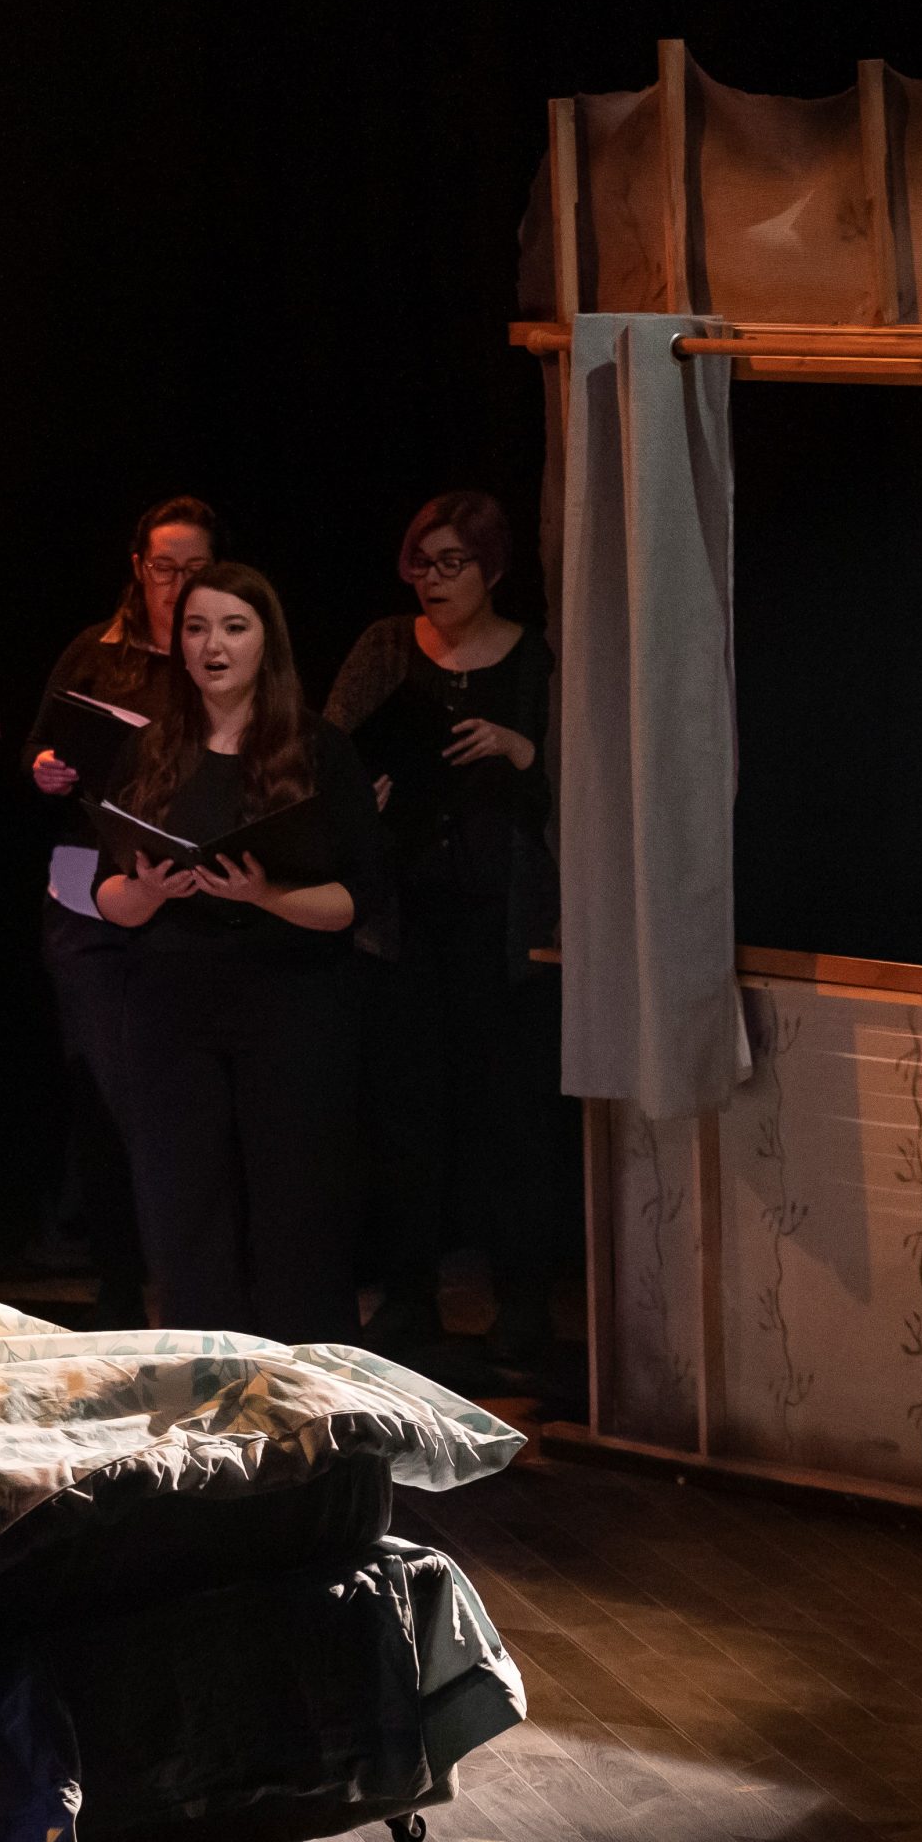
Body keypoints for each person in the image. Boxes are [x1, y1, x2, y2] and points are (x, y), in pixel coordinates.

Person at [90, 564, 383, 1344]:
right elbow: (107, 896)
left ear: (266, 642)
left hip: (292, 1003)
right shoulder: (151, 751)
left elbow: (358, 902)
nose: (211, 645)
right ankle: (203, 1398)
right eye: (195, 627)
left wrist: (264, 896)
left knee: (296, 1217)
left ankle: (304, 1408)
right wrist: (149, 890)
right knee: (187, 1216)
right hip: (171, 1007)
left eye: (232, 627)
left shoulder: (318, 750)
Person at [326, 490, 563, 1364]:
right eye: (420, 563)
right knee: (404, 1120)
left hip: (503, 924)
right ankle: (407, 1301)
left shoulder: (536, 658)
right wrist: (364, 797)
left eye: (451, 563)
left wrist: (520, 749)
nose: (432, 580)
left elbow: (578, 781)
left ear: (493, 569)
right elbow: (328, 758)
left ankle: (525, 1305)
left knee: (510, 1119)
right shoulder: (388, 647)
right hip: (404, 920)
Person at [20, 494, 220, 1325]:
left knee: (177, 1090)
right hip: (86, 886)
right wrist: (45, 769)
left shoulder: (217, 650)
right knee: (102, 1086)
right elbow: (39, 749)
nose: (177, 584)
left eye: (195, 570)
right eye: (164, 567)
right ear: (138, 568)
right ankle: (113, 1281)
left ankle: (189, 1277)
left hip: (185, 893)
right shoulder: (93, 653)